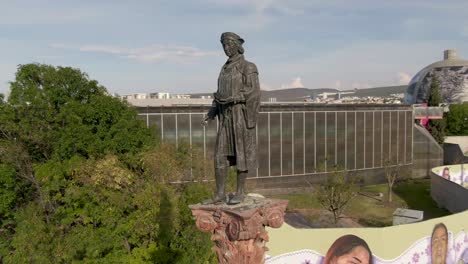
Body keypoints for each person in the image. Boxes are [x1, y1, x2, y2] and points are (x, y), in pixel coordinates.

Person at [202, 32, 260, 204]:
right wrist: (211, 112)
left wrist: (235, 98)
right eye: (223, 46)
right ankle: (220, 193)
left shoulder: (248, 67)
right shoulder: (224, 69)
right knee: (220, 156)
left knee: (241, 154)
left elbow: (254, 92)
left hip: (240, 116)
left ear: (237, 45)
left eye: (229, 45)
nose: (226, 48)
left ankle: (240, 192)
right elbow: (219, 94)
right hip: (226, 118)